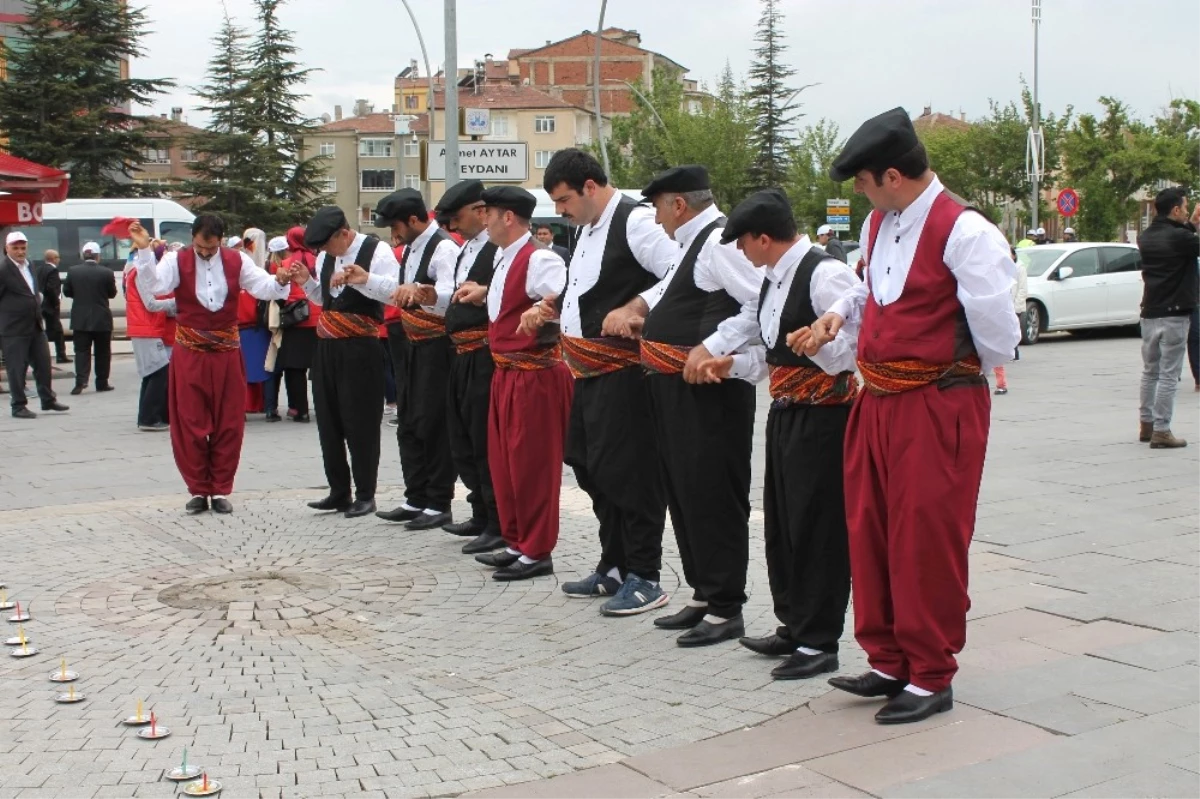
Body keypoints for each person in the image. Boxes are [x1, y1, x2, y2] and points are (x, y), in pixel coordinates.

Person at [798, 108, 1019, 724]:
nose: (862, 195)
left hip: (937, 401)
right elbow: (872, 291)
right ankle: (888, 658)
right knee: (870, 527)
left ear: (891, 175)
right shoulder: (878, 225)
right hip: (879, 400)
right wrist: (841, 313)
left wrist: (949, 371)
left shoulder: (965, 231)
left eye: (864, 183)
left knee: (926, 537)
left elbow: (997, 329)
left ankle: (930, 672)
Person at [700, 189, 860, 680]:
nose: (741, 254)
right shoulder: (773, 280)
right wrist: (731, 364)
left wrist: (821, 339)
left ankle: (819, 640)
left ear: (763, 238)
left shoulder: (824, 272)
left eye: (743, 244)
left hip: (825, 418)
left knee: (818, 528)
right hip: (788, 414)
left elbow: (850, 350)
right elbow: (775, 358)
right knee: (785, 526)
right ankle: (794, 624)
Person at [608, 164, 763, 639]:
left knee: (711, 493)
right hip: (676, 390)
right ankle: (702, 591)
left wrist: (714, 347)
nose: (655, 219)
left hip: (708, 393)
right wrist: (640, 312)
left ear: (678, 204)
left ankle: (725, 606)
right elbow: (672, 289)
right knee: (684, 491)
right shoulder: (690, 243)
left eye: (657, 207)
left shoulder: (718, 242)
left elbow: (761, 302)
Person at [533, 148, 675, 606]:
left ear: (591, 186)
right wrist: (555, 305)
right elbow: (590, 286)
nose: (560, 211)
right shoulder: (586, 228)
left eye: (564, 199)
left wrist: (638, 306)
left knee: (630, 472)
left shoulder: (635, 221)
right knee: (589, 466)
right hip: (585, 371)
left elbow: (681, 269)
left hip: (623, 372)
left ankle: (645, 575)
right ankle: (613, 564)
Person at [130, 216, 292, 514]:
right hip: (189, 352)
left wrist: (280, 280)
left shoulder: (236, 261)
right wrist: (143, 252)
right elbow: (154, 285)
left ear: (220, 241)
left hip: (227, 352)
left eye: (212, 248)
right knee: (189, 422)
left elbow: (263, 286)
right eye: (201, 247)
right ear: (193, 238)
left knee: (228, 422)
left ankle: (219, 489)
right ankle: (197, 489)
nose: (206, 253)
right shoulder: (175, 260)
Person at [455, 186, 572, 580]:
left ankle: (537, 551)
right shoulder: (505, 258)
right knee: (505, 463)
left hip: (534, 375)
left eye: (488, 213)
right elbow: (513, 295)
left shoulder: (539, 257)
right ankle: (518, 541)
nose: (483, 220)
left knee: (532, 465)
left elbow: (565, 298)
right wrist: (484, 293)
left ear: (508, 217)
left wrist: (544, 310)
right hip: (506, 372)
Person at [292, 207, 398, 517]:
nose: (323, 251)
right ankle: (339, 490)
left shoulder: (376, 251)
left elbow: (394, 294)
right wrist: (307, 283)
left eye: (327, 244)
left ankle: (366, 493)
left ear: (343, 233)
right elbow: (325, 300)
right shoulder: (326, 257)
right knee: (329, 421)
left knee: (360, 422)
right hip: (327, 347)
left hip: (360, 346)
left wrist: (362, 280)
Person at [373, 190, 461, 531]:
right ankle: (416, 495)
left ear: (413, 219)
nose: (392, 234)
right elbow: (399, 289)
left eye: (395, 225)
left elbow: (452, 294)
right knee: (408, 419)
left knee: (433, 423)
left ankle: (439, 500)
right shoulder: (411, 248)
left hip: (437, 346)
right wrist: (367, 282)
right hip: (410, 342)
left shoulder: (444, 247)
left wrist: (426, 294)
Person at [435, 179, 506, 554]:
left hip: (483, 354)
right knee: (462, 438)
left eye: (456, 218)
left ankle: (497, 521)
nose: (452, 227)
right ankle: (480, 511)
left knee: (483, 440)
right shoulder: (466, 249)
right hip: (460, 354)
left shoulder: (496, 249)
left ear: (480, 211)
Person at [1137, 187, 1200, 449]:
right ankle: (1162, 430)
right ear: (1175, 210)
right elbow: (1191, 243)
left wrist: (1190, 224)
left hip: (1150, 311)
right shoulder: (1181, 238)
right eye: (1185, 208)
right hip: (1175, 314)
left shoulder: (1146, 237)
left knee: (1150, 371)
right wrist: (1194, 225)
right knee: (1169, 375)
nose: (1187, 211)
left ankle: (1146, 424)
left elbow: (1184, 239)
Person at [0, 231, 69, 418]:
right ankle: (18, 405)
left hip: (35, 324)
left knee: (43, 363)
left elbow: (32, 289)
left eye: (23, 248)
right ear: (7, 249)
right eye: (15, 248)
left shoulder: (30, 265)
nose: (20, 251)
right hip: (13, 328)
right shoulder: (3, 268)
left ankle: (48, 400)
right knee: (17, 368)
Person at [265, 228, 318, 423]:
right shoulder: (316, 260)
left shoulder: (288, 264)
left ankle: (300, 410)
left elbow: (280, 291)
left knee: (295, 368)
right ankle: (322, 408)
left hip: (296, 320)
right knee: (318, 367)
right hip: (319, 319)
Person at [125, 243, 175, 431]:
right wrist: (177, 303)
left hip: (147, 327)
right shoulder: (140, 273)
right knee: (158, 371)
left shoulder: (138, 271)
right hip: (146, 328)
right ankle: (149, 418)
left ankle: (152, 416)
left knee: (154, 372)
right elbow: (151, 304)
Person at [63, 241, 117, 395]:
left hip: (80, 318)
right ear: (98, 256)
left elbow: (67, 291)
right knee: (103, 352)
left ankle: (81, 381)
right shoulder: (106, 272)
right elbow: (112, 293)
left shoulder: (73, 271)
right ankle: (102, 382)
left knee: (81, 351)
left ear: (83, 255)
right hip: (102, 318)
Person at [238, 228, 272, 413]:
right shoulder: (261, 265)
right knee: (259, 364)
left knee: (247, 365)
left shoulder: (241, 262)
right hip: (257, 321)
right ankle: (261, 404)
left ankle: (250, 403)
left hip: (244, 321)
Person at [993, 247, 1027, 396]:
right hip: (1001, 308)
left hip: (1012, 306)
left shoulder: (1019, 268)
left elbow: (1022, 288)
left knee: (1010, 333)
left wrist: (1016, 306)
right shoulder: (1000, 268)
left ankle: (1012, 351)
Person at [38, 249, 69, 363]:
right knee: (58, 331)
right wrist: (56, 302)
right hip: (50, 306)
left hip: (40, 305)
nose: (59, 260)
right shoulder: (53, 271)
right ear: (53, 259)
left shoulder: (40, 269)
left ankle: (42, 355)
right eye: (58, 257)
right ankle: (61, 355)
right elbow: (51, 288)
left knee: (42, 330)